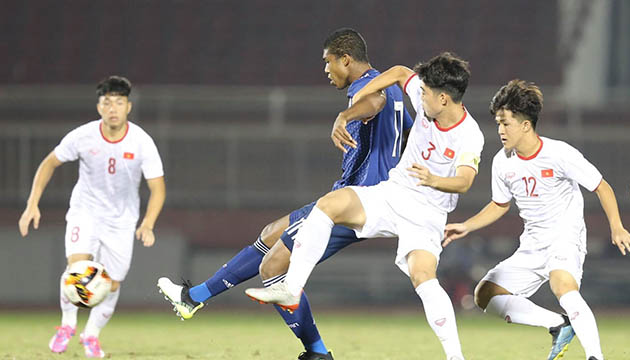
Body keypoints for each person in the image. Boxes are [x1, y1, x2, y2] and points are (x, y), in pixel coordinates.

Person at [157, 28, 413, 360]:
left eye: (328, 62)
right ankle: (194, 297)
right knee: (270, 233)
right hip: (351, 197)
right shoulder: (392, 89)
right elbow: (408, 128)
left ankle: (317, 352)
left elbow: (373, 103)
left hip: (356, 203)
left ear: (346, 60)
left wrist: (345, 115)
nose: (325, 70)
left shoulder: (369, 88)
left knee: (272, 267)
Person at [246, 52, 483, 360]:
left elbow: (464, 181)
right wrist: (364, 92)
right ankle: (292, 287)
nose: (418, 96)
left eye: (424, 94)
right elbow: (399, 72)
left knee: (423, 277)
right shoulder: (428, 99)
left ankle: (455, 357)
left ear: (443, 99)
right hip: (393, 193)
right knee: (329, 204)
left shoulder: (470, 135)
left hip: (427, 214)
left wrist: (433, 178)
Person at [442, 79, 630, 360]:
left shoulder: (559, 153)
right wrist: (466, 225)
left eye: (505, 123)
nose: (500, 130)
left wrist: (616, 227)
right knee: (485, 294)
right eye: (498, 122)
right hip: (531, 245)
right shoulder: (502, 161)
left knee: (563, 287)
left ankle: (595, 356)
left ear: (525, 125)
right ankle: (557, 324)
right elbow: (499, 205)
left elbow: (601, 186)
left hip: (565, 239)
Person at [18, 76, 166, 358]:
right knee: (77, 269)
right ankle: (67, 326)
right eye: (107, 102)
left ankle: (91, 336)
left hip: (122, 221)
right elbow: (50, 162)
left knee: (111, 283)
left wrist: (148, 222)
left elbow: (158, 188)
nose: (113, 108)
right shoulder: (82, 136)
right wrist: (32, 203)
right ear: (99, 107)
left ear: (128, 107)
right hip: (85, 212)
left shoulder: (142, 142)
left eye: (119, 102)